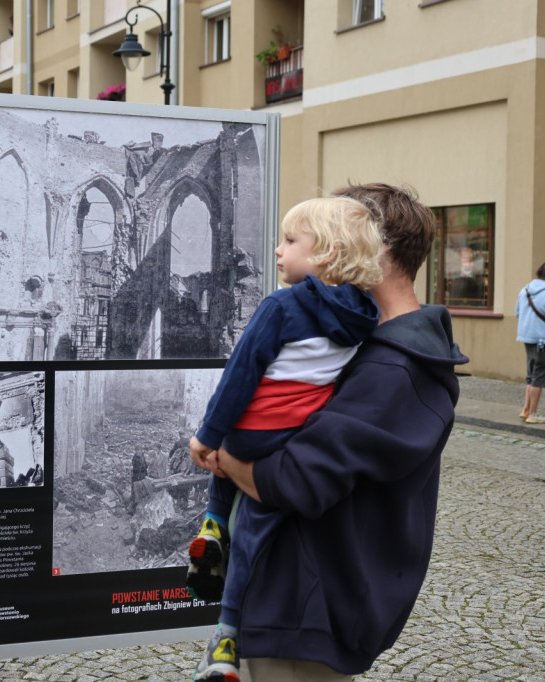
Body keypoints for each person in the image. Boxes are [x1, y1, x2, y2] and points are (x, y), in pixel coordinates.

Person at [199, 183, 468, 681]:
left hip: (307, 616)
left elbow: (294, 480)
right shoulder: (355, 343)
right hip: (296, 601)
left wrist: (223, 454)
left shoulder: (395, 368)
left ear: (372, 249)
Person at [188, 196, 385, 682]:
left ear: (327, 253)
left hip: (252, 431)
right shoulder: (365, 316)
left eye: (291, 241)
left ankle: (212, 524)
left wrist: (206, 436)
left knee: (224, 456)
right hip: (292, 438)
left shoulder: (281, 305)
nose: (278, 250)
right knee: (255, 525)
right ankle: (229, 628)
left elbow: (241, 375)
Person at [515, 261, 545, 424]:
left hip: (526, 336)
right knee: (539, 376)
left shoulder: (524, 290)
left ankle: (526, 409)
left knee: (531, 375)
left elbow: (517, 313)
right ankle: (533, 414)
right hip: (543, 339)